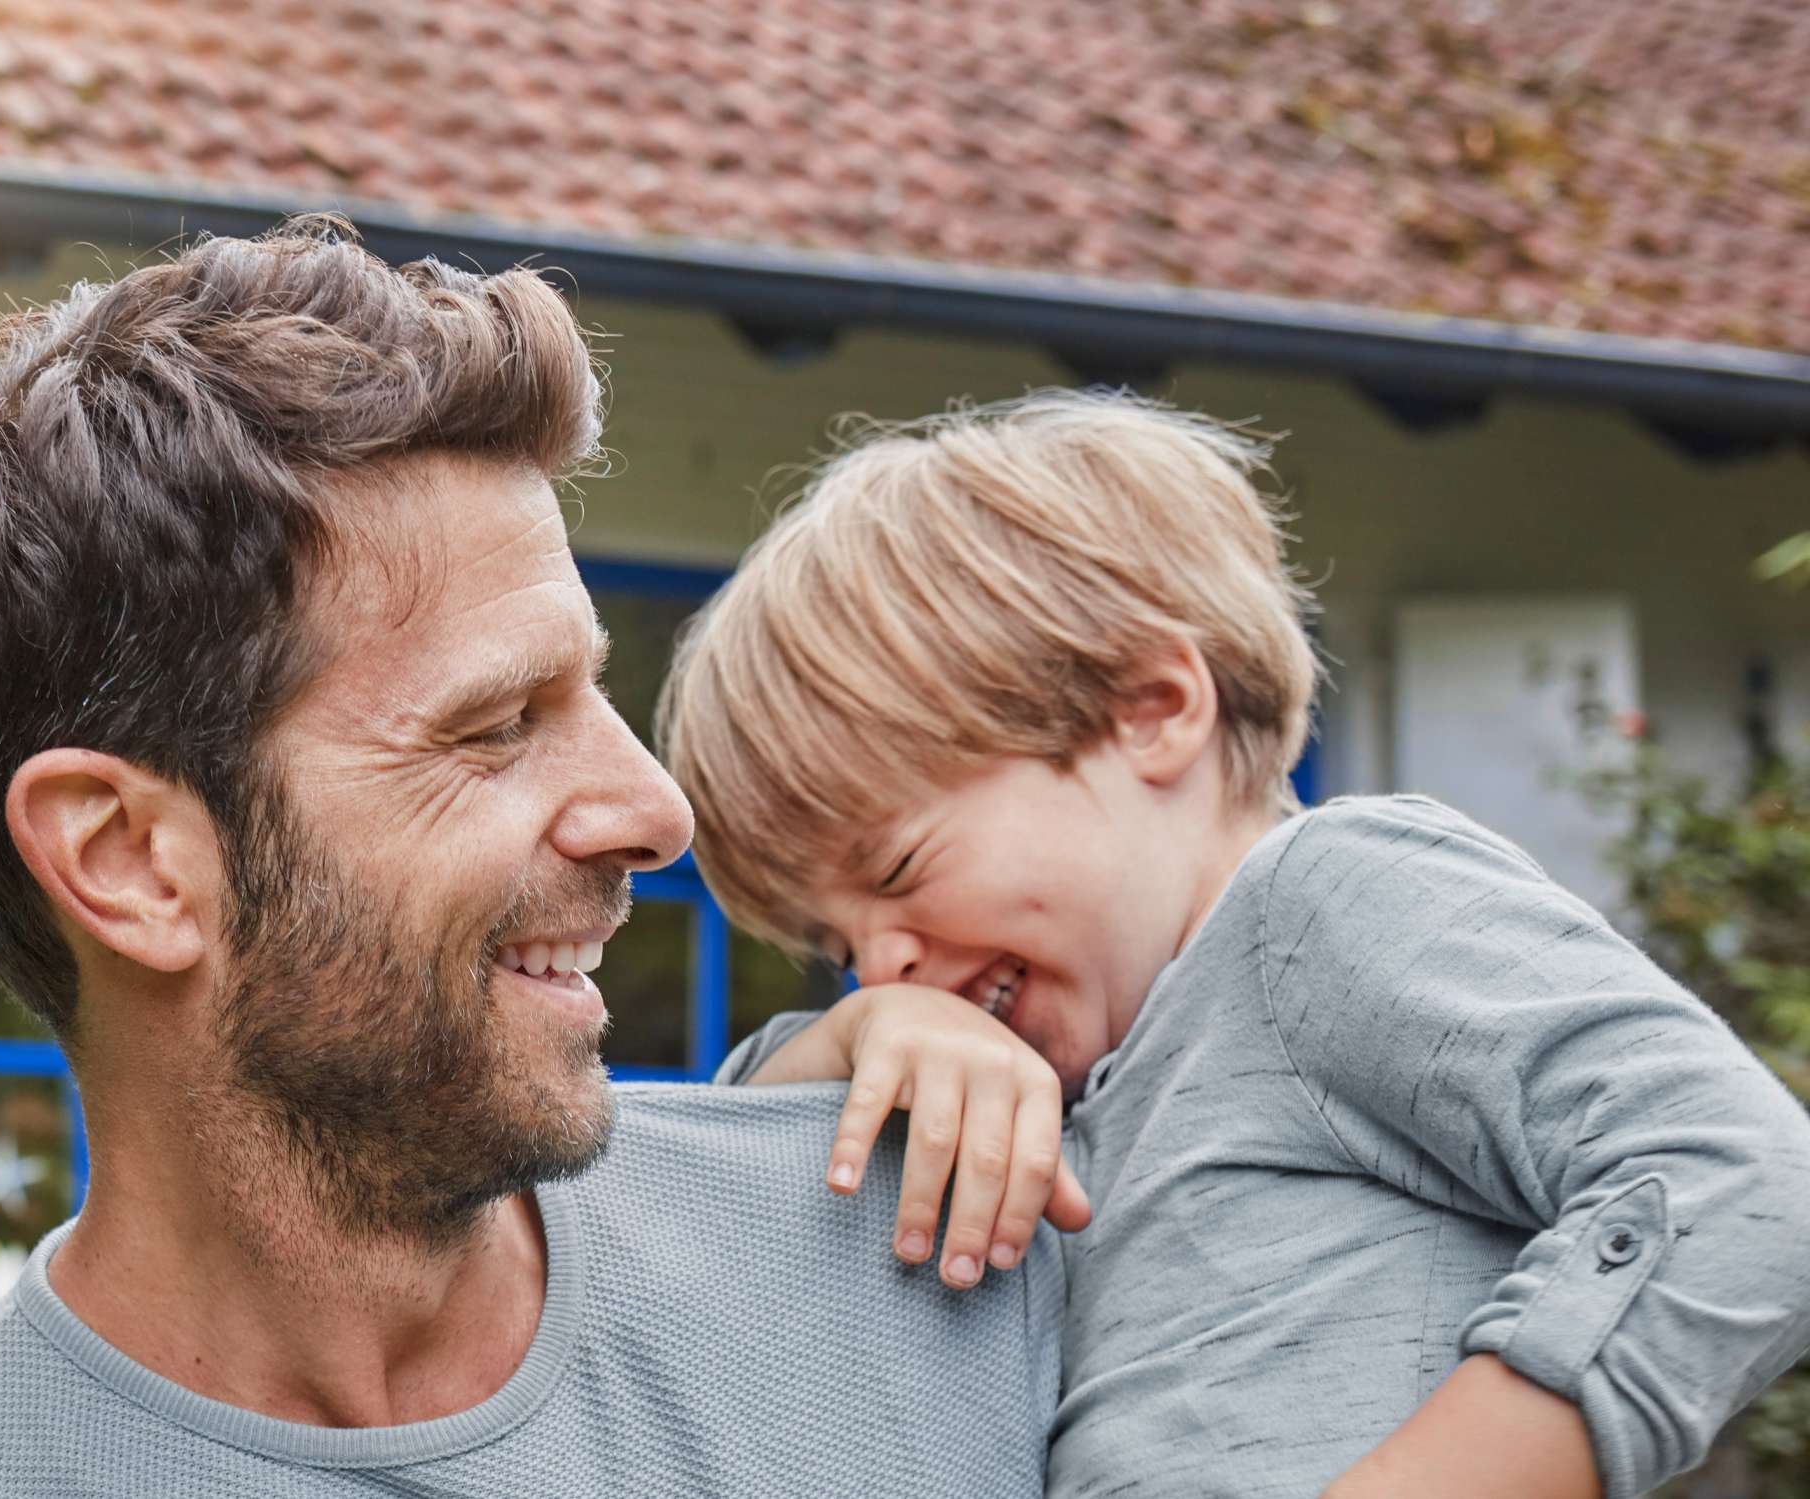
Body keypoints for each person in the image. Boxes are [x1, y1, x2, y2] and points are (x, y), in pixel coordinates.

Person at [0, 218, 1075, 1496]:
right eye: (496, 723)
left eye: (596, 694)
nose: (655, 808)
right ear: (132, 862)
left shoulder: (946, 1235)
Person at [663, 390, 1810, 1498]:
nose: (877, 960)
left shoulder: (1319, 903)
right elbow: (715, 1204)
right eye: (833, 942)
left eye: (901, 871)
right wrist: (854, 1038)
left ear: (1152, 709)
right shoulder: (1051, 1094)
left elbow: (1742, 1177)